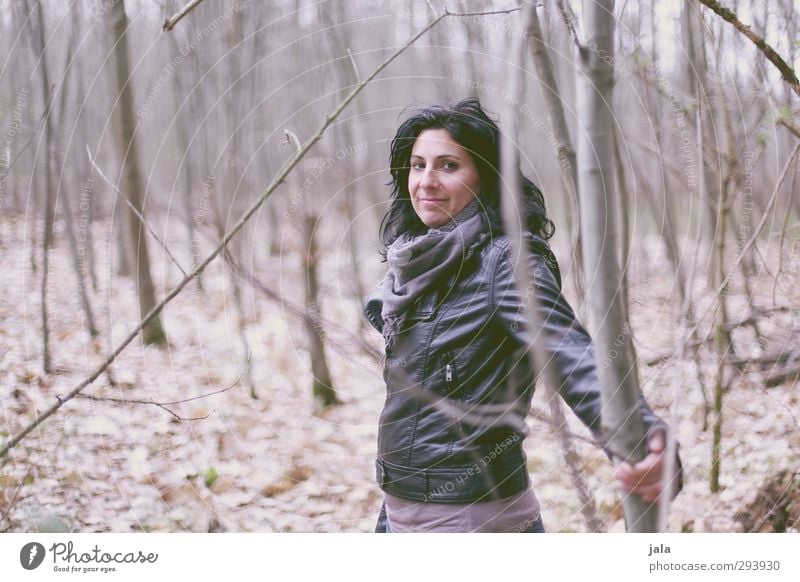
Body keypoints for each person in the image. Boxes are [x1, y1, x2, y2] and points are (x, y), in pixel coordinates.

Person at [363, 98, 680, 533]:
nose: (426, 181)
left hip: (471, 521)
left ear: (486, 178)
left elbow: (570, 354)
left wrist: (644, 439)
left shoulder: (506, 261)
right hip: (398, 511)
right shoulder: (421, 263)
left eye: (448, 166)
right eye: (417, 165)